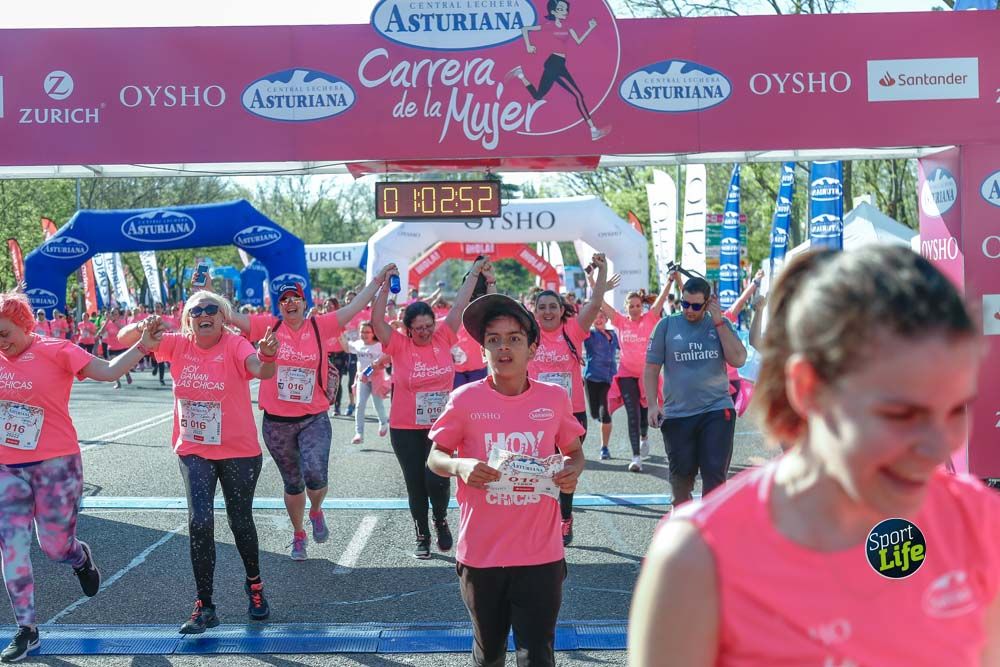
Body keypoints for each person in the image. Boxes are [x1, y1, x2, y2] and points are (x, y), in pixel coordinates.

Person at [628, 246, 1000, 666]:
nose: (937, 448)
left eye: (955, 409)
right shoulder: (696, 558)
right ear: (807, 388)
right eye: (900, 414)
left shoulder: (978, 522)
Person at [0, 291, 159, 663]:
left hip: (57, 465)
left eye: (5, 333)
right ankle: (27, 629)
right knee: (12, 548)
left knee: (54, 547)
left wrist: (141, 346)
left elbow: (107, 372)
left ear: (24, 325)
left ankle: (79, 559)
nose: (0, 341)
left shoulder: (58, 351)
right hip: (7, 466)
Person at [427, 293, 586, 667]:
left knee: (537, 657)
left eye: (514, 338)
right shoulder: (464, 399)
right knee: (489, 656)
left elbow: (575, 452)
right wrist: (461, 466)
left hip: (541, 556)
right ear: (482, 351)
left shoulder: (554, 398)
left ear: (532, 348)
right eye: (493, 340)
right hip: (481, 557)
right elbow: (435, 457)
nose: (503, 347)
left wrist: (571, 471)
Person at [119, 292, 278, 634]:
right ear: (187, 319)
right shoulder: (177, 344)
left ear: (223, 318)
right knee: (200, 521)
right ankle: (204, 605)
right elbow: (123, 338)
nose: (204, 314)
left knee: (240, 522)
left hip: (238, 451)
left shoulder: (235, 345)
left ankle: (255, 586)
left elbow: (261, 369)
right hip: (194, 449)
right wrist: (142, 324)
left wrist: (267, 355)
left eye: (212, 310)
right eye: (196, 310)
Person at [226, 270, 390, 560]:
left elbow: (355, 307)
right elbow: (231, 316)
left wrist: (378, 281)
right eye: (285, 299)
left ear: (304, 303)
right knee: (292, 483)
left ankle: (316, 510)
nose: (290, 303)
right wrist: (208, 291)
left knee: (315, 476)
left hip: (313, 417)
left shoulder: (320, 326)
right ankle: (299, 533)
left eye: (295, 299)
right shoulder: (267, 327)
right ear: (280, 305)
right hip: (277, 422)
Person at [370, 259, 487, 559]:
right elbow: (376, 321)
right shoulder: (397, 345)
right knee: (416, 483)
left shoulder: (444, 335)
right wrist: (385, 285)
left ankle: (441, 519)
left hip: (441, 426)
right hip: (406, 427)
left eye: (428, 326)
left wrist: (474, 274)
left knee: (437, 478)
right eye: (418, 329)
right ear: (408, 330)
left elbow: (460, 305)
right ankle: (421, 533)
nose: (424, 332)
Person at [529, 253, 611, 545]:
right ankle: (542, 519)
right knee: (540, 468)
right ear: (534, 311)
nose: (548, 312)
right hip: (534, 413)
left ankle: (565, 516)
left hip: (570, 414)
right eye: (542, 307)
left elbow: (596, 301)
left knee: (565, 469)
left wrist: (601, 271)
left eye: (553, 307)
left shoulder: (573, 331)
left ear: (561, 310)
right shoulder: (528, 335)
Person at [643, 276, 746, 506]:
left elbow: (738, 359)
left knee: (714, 474)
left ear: (708, 302)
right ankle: (683, 532)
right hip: (677, 414)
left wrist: (719, 321)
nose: (689, 310)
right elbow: (651, 369)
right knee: (681, 482)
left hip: (717, 410)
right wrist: (652, 404)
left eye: (696, 306)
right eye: (685, 304)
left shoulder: (719, 324)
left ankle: (713, 533)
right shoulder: (666, 325)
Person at [508, 0, 609, 141]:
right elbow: (525, 29)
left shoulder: (568, 27)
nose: (565, 11)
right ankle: (593, 131)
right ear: (553, 12)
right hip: (553, 64)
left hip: (560, 64)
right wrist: (529, 46)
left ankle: (520, 75)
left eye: (566, 9)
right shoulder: (548, 26)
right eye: (561, 9)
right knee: (578, 95)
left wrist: (590, 27)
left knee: (538, 96)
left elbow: (579, 41)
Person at [601, 280, 673, 472]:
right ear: (626, 307)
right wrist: (596, 283)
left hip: (647, 377)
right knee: (632, 414)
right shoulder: (620, 321)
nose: (634, 309)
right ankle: (636, 457)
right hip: (626, 375)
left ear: (643, 307)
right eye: (631, 306)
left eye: (638, 306)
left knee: (643, 417)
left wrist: (671, 280)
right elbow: (600, 303)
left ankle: (644, 436)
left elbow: (662, 299)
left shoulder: (650, 318)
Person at [452, 263, 498, 388]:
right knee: (458, 405)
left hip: (478, 367)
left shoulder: (484, 310)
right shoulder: (456, 310)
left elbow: (493, 302)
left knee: (477, 405)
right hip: (456, 367)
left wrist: (490, 280)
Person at [583, 308, 619, 460]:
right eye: (595, 317)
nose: (598, 320)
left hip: (609, 380)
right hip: (591, 378)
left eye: (601, 317)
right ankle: (602, 419)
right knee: (594, 414)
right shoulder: (589, 335)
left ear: (606, 319)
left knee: (605, 413)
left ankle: (604, 448)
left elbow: (626, 348)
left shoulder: (613, 335)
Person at [349, 322, 390, 445]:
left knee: (377, 405)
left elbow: (380, 364)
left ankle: (383, 422)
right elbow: (346, 347)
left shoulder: (379, 346)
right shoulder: (358, 344)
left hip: (376, 379)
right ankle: (359, 433)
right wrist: (338, 335)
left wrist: (367, 373)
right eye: (362, 332)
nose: (364, 334)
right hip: (363, 380)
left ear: (373, 333)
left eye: (367, 332)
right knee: (360, 405)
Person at [95, 307, 132, 389]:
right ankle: (118, 383)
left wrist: (114, 321)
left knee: (123, 364)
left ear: (118, 314)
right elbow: (101, 332)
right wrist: (108, 320)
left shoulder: (122, 320)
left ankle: (127, 373)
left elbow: (123, 328)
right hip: (111, 347)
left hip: (122, 346)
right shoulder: (107, 322)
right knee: (114, 366)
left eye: (115, 313)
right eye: (112, 313)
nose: (114, 315)